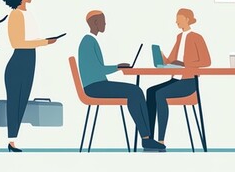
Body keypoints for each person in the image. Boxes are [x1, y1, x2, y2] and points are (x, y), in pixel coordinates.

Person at [78, 10, 165, 151]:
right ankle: (146, 138)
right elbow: (98, 70)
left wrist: (118, 67)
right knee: (135, 92)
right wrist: (118, 67)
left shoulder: (90, 41)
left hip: (98, 84)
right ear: (94, 22)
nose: (105, 23)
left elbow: (97, 69)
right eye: (102, 20)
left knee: (135, 91)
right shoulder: (88, 42)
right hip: (94, 87)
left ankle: (146, 137)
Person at [1, 0, 56, 152]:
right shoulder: (16, 14)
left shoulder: (28, 14)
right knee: (14, 104)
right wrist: (45, 42)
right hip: (19, 62)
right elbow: (17, 43)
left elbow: (31, 39)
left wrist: (43, 41)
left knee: (21, 102)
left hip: (29, 61)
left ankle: (13, 141)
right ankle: (11, 142)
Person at [146, 8, 211, 147]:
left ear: (187, 19)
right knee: (150, 91)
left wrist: (185, 64)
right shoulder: (179, 37)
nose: (176, 21)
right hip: (175, 80)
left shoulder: (196, 37)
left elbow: (206, 61)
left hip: (188, 82)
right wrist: (161, 57)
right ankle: (149, 137)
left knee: (160, 94)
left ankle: (161, 139)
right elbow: (171, 61)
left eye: (179, 18)